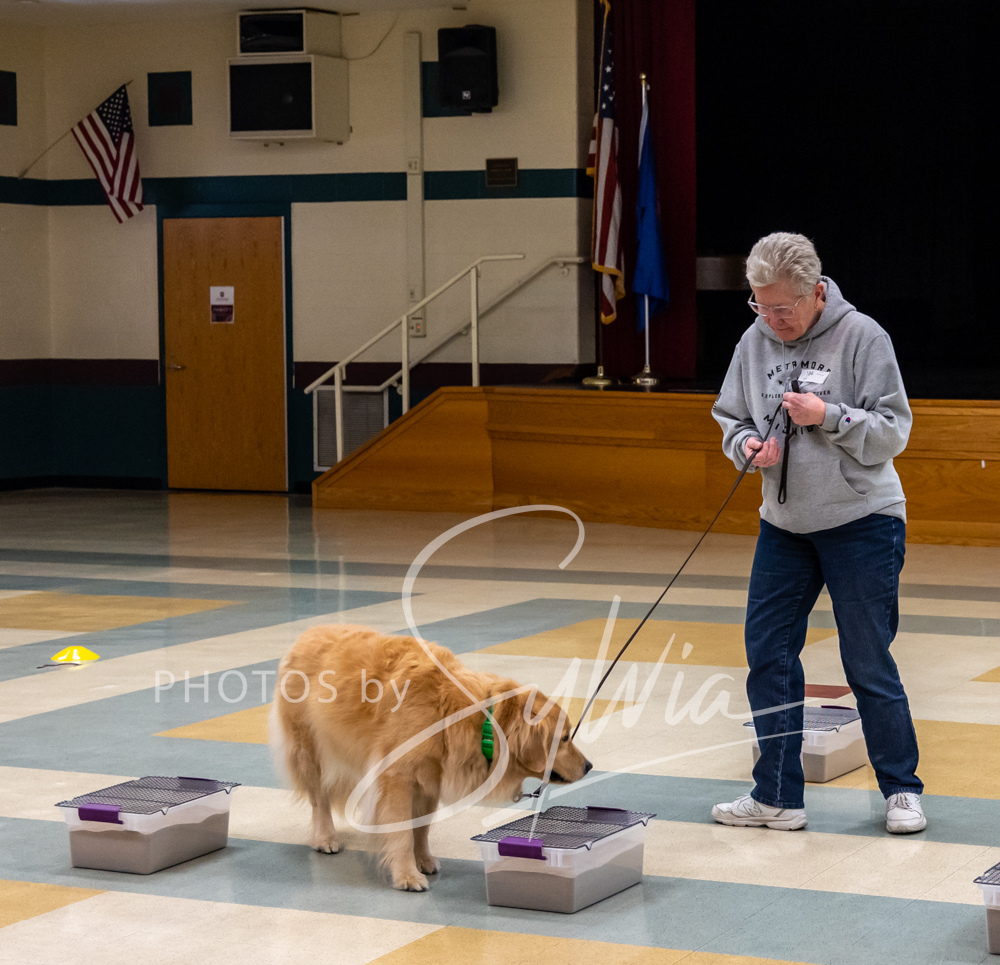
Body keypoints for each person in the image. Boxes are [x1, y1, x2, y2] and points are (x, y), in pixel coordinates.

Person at [710, 232, 925, 834]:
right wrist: (746, 446)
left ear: (815, 293)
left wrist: (828, 415)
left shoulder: (863, 337)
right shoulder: (753, 341)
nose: (771, 319)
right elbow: (730, 416)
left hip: (863, 521)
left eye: (782, 308)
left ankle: (901, 790)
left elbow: (893, 431)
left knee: (866, 660)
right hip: (785, 526)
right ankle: (777, 796)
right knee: (768, 655)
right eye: (759, 306)